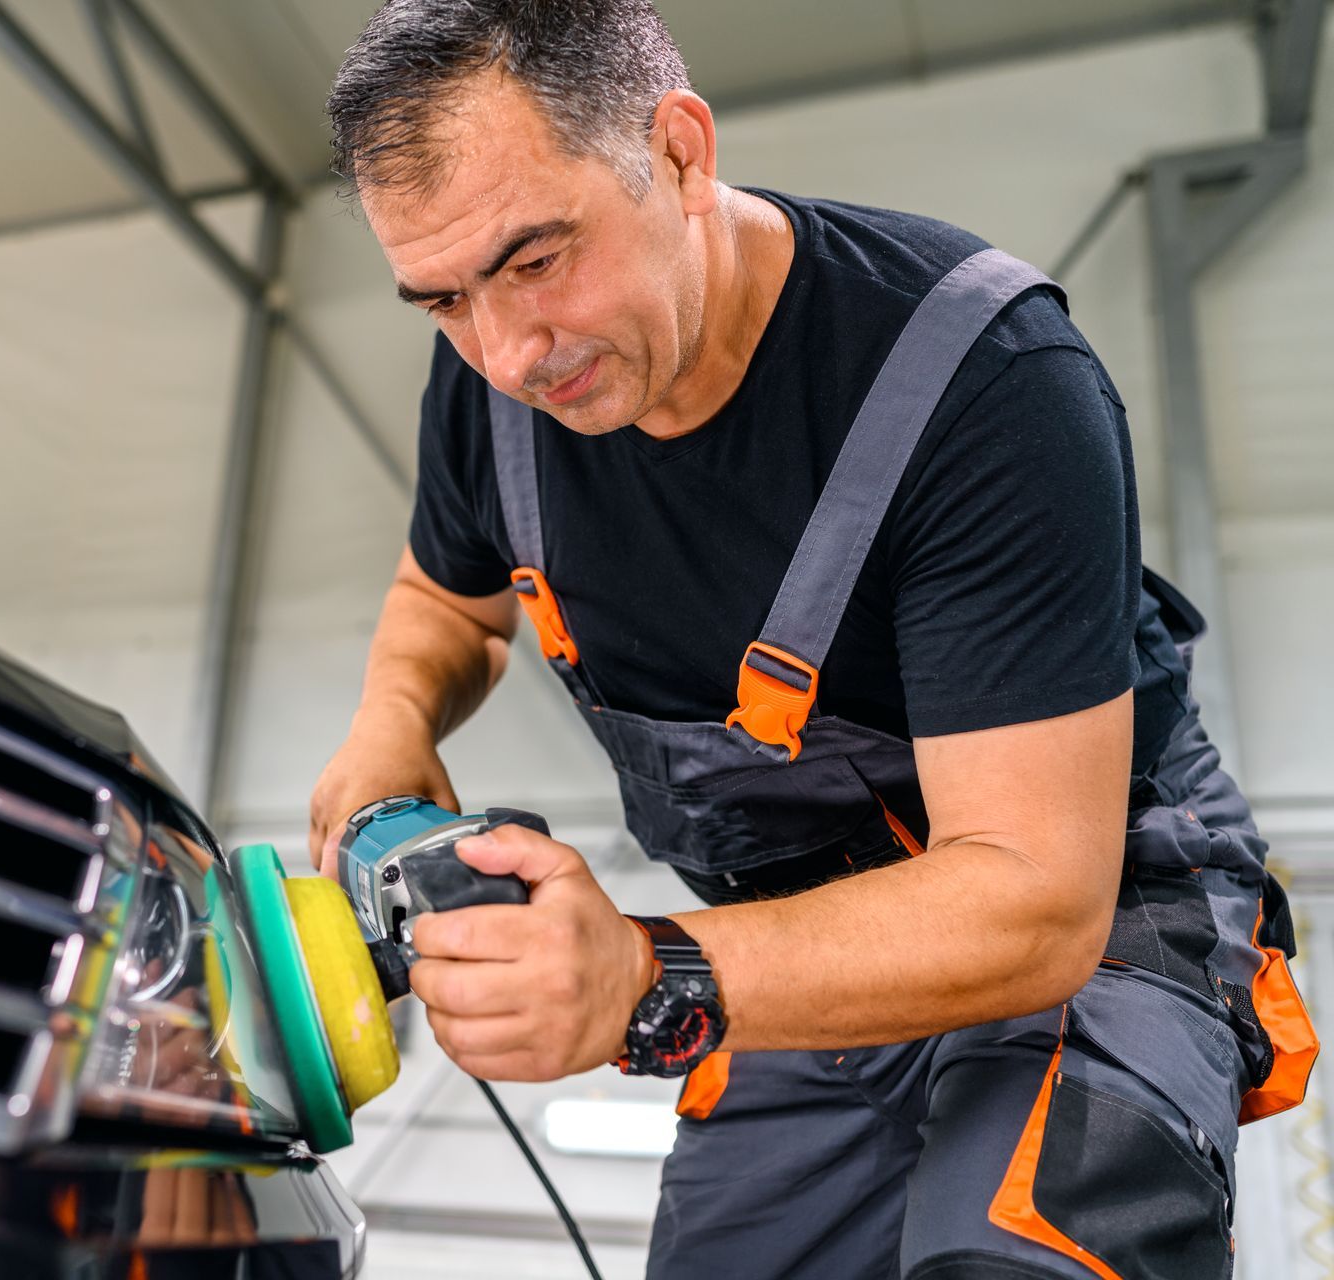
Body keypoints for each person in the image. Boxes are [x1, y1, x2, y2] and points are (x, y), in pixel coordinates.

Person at [305, 3, 1317, 1277]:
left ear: (678, 152)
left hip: (1091, 922)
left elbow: (1034, 900)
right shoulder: (495, 387)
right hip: (794, 958)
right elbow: (448, 599)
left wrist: (637, 969)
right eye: (442, 298)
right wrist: (394, 721)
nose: (508, 350)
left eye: (537, 260)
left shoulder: (986, 385)